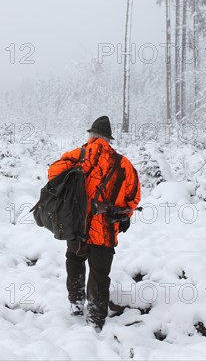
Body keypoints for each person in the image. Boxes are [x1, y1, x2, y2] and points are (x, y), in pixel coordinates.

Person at [47, 116, 141, 331]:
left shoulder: (78, 155)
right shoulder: (123, 164)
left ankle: (76, 301)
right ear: (108, 139)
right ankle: (96, 318)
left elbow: (53, 174)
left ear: (91, 136)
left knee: (74, 260)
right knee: (99, 273)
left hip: (77, 226)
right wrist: (123, 214)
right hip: (105, 231)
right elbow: (133, 197)